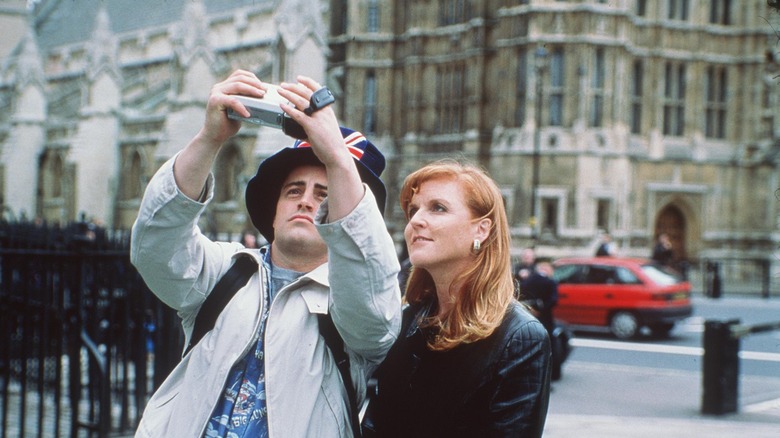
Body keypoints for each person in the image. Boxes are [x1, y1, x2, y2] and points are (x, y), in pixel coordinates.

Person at [130, 70, 402, 437]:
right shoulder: (225, 273)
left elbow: (371, 303)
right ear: (271, 210)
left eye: (325, 196)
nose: (306, 200)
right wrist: (210, 139)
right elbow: (155, 248)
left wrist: (339, 160)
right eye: (294, 190)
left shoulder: (350, 311)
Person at [362, 160, 551, 437]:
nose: (416, 220)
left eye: (438, 208)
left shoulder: (520, 338)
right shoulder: (409, 319)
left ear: (482, 229)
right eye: (413, 210)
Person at [518, 261, 561, 380]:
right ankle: (552, 374)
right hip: (545, 317)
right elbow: (553, 300)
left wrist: (531, 309)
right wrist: (542, 309)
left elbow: (520, 295)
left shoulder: (529, 280)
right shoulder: (550, 282)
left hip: (528, 314)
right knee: (549, 344)